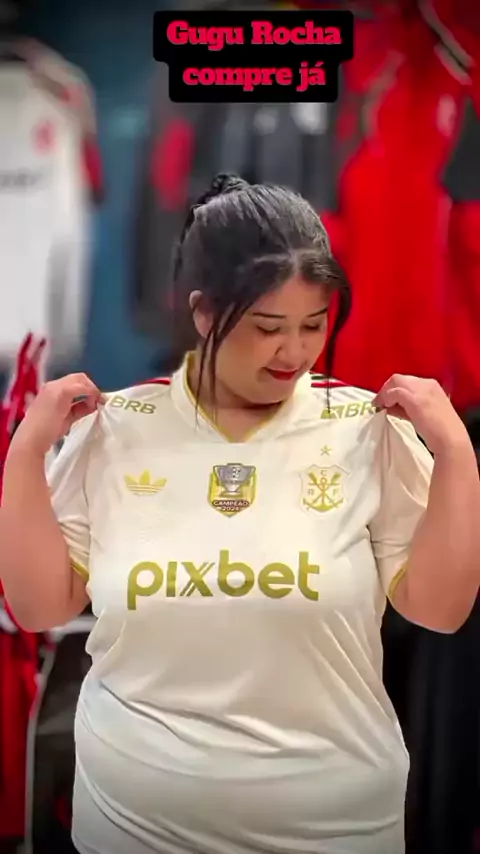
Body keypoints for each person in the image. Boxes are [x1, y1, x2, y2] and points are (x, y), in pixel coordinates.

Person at [1, 174, 479, 854]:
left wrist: (455, 451)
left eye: (314, 324)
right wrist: (27, 450)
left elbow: (442, 608)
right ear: (204, 313)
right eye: (268, 329)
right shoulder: (114, 427)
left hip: (337, 830)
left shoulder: (367, 428)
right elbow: (39, 606)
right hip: (133, 829)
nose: (296, 351)